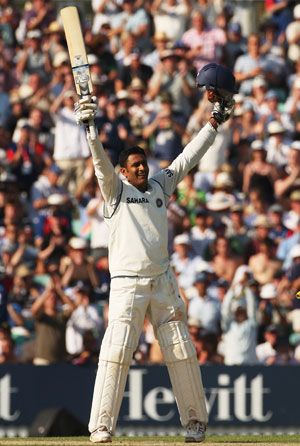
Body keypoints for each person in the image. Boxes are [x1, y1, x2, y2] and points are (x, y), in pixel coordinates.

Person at [74, 63, 235, 443]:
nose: (142, 167)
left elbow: (187, 157)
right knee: (116, 351)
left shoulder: (161, 184)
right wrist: (90, 129)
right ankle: (101, 427)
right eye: (134, 165)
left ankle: (195, 424)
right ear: (124, 172)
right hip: (127, 283)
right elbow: (99, 163)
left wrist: (213, 124)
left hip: (162, 279)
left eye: (143, 162)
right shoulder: (114, 191)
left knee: (180, 348)